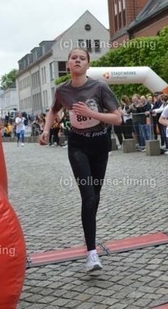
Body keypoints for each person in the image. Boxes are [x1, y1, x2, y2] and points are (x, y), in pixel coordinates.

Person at [39, 47, 122, 272]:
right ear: (68, 64)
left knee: (95, 196)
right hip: (77, 144)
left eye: (82, 58)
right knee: (88, 195)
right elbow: (53, 110)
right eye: (73, 58)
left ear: (88, 64)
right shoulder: (62, 90)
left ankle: (89, 232)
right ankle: (92, 254)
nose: (77, 60)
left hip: (100, 143)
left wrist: (91, 113)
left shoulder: (99, 87)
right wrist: (46, 130)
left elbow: (117, 118)